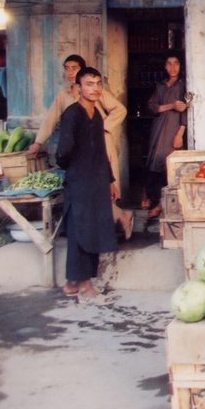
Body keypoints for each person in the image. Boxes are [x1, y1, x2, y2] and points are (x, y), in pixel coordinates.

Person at [27, 54, 133, 239]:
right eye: (67, 68)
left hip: (99, 145)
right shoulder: (64, 96)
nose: (70, 72)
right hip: (80, 153)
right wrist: (38, 142)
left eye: (74, 68)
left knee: (102, 187)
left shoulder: (94, 90)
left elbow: (120, 109)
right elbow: (51, 119)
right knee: (91, 190)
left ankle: (112, 224)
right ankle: (114, 222)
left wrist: (102, 128)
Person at [56, 67, 118, 305]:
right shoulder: (73, 113)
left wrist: (110, 181)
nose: (94, 88)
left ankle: (72, 284)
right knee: (80, 230)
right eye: (89, 84)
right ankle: (85, 288)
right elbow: (63, 152)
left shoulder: (98, 115)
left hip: (97, 181)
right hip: (79, 181)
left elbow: (102, 153)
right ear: (78, 88)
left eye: (98, 84)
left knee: (91, 229)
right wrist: (75, 169)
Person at [144, 52, 187, 218]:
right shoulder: (160, 85)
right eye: (169, 63)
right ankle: (150, 196)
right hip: (159, 127)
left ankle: (163, 204)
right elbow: (152, 107)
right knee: (153, 160)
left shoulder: (183, 85)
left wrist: (180, 134)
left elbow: (184, 111)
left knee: (168, 164)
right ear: (165, 66)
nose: (173, 67)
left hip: (174, 127)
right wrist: (171, 105)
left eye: (176, 63)